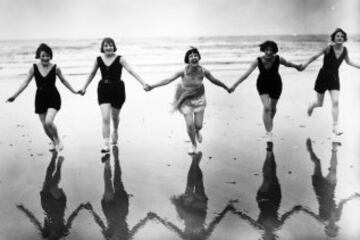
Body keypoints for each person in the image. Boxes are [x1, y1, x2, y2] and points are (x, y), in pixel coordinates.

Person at [148, 47, 230, 153]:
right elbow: (167, 80)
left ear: (199, 58)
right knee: (190, 125)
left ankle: (197, 132)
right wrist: (152, 86)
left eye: (196, 55)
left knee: (198, 125)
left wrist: (226, 87)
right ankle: (193, 144)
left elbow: (214, 80)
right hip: (185, 100)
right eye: (191, 56)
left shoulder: (204, 71)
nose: (194, 57)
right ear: (187, 60)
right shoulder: (183, 72)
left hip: (199, 99)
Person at [78, 37, 150, 153]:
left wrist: (143, 83)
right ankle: (106, 145)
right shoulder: (98, 60)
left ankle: (115, 130)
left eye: (110, 45)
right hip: (103, 90)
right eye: (106, 45)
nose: (108, 47)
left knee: (115, 117)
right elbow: (91, 73)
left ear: (114, 46)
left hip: (118, 90)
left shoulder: (120, 59)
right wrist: (84, 87)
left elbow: (132, 71)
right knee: (105, 117)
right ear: (102, 47)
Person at [6, 43, 78, 151]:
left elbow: (64, 81)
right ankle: (53, 141)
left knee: (49, 121)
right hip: (40, 98)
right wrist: (14, 96)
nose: (45, 58)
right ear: (39, 56)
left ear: (50, 56)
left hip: (53, 96)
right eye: (43, 56)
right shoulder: (34, 68)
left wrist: (74, 91)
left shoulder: (55, 68)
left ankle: (58, 140)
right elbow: (25, 82)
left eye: (47, 56)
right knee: (44, 125)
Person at [229, 41, 301, 142]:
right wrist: (234, 86)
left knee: (273, 108)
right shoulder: (258, 61)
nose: (268, 52)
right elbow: (246, 75)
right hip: (262, 84)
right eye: (267, 50)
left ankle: (269, 120)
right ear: (263, 50)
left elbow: (288, 64)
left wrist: (297, 66)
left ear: (274, 51)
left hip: (276, 84)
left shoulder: (278, 59)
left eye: (271, 50)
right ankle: (268, 132)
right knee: (267, 108)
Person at [300, 28, 360, 135]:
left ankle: (335, 126)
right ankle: (311, 105)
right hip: (323, 77)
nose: (340, 38)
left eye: (342, 36)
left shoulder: (345, 50)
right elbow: (315, 56)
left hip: (334, 78)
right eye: (337, 36)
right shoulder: (328, 48)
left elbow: (349, 62)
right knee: (319, 103)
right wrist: (304, 65)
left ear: (344, 39)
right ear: (333, 38)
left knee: (336, 101)